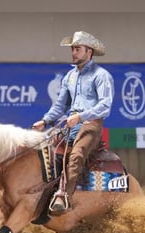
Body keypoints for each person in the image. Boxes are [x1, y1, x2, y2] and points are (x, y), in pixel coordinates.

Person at [32, 31, 114, 212]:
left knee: (76, 155)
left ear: (89, 52)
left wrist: (80, 116)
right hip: (71, 122)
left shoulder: (101, 75)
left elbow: (105, 106)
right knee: (43, 149)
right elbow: (60, 105)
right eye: (73, 49)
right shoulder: (69, 76)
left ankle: (64, 197)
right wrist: (45, 121)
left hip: (91, 124)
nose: (73, 52)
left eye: (77, 49)